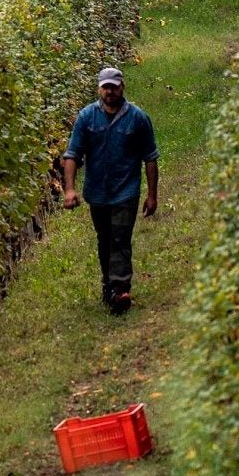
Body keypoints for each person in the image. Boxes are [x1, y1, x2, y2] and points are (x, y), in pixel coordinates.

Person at [60, 66, 159, 313]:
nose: (110, 91)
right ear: (99, 89)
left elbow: (150, 158)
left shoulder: (137, 118)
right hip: (97, 192)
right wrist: (69, 189)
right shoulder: (86, 117)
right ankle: (109, 283)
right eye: (106, 87)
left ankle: (120, 289)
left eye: (114, 86)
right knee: (104, 239)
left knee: (120, 237)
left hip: (126, 190)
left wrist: (152, 195)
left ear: (122, 87)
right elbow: (72, 154)